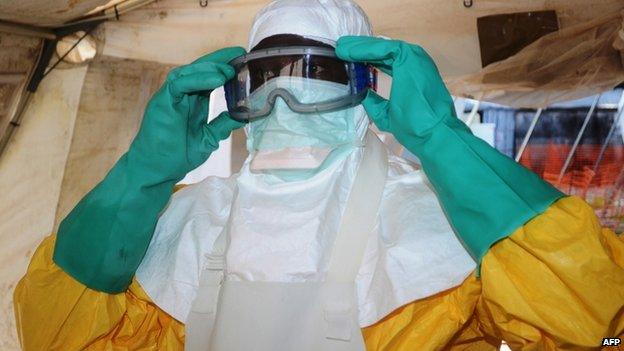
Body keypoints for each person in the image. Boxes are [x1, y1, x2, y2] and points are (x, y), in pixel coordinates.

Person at [14, 0, 624, 350]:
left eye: (314, 76)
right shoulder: (182, 219)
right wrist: (142, 174)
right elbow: (57, 332)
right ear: (237, 92)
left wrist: (445, 143)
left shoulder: (442, 223)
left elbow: (596, 321)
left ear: (364, 87)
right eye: (263, 80)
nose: (283, 102)